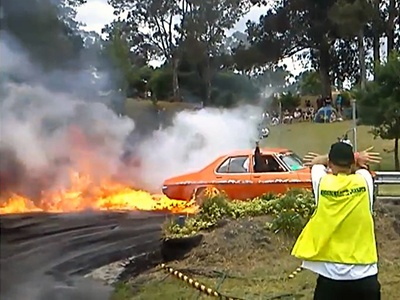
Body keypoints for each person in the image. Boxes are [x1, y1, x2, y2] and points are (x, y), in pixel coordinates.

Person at [291, 143, 382, 300]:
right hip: (365, 276)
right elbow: (361, 169)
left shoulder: (321, 182)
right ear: (352, 164)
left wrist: (326, 158)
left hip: (331, 278)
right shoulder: (365, 182)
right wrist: (357, 157)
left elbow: (317, 163)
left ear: (331, 164)